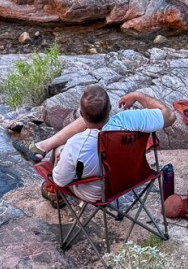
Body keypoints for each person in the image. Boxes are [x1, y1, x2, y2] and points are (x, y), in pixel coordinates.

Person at [12, 85, 175, 203]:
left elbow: (61, 180)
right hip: (133, 178)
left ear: (81, 114)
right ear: (110, 108)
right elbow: (170, 116)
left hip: (100, 192)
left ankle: (55, 195)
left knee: (59, 150)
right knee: (91, 132)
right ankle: (41, 147)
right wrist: (139, 95)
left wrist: (61, 159)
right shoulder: (130, 120)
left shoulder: (76, 144)